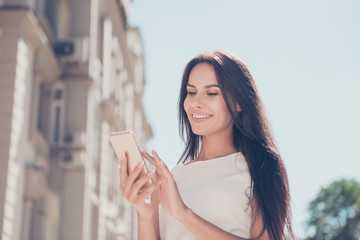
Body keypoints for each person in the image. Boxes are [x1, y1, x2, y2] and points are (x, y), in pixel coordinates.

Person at [118, 50, 295, 240]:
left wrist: (184, 214)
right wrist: (144, 213)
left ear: (240, 102)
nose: (195, 102)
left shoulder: (261, 167)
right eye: (191, 92)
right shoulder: (167, 179)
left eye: (211, 93)